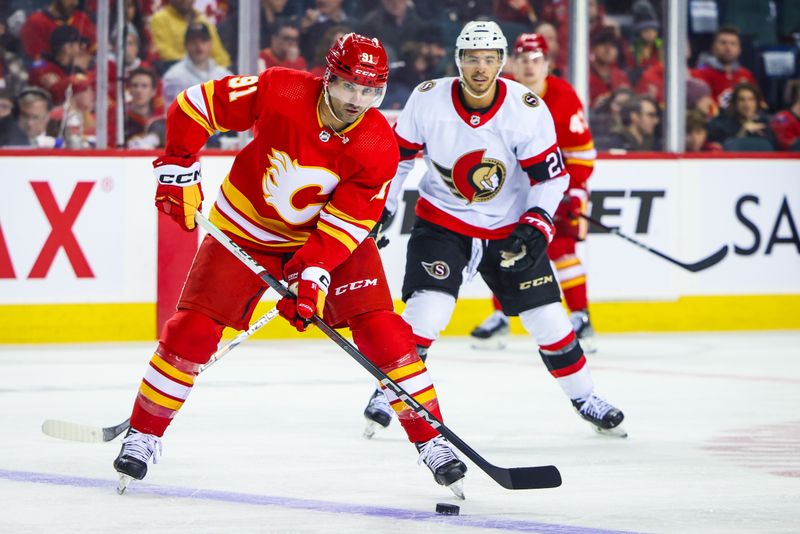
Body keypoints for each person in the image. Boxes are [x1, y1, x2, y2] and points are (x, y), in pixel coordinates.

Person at [112, 32, 467, 499]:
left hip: (329, 240)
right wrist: (178, 164)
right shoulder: (282, 89)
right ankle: (144, 434)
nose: (357, 101)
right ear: (327, 77)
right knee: (191, 331)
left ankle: (432, 441)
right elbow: (194, 105)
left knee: (384, 331)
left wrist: (313, 273)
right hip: (246, 227)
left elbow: (345, 225)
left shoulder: (377, 143)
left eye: (370, 91)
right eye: (347, 86)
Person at [361, 21, 626, 441]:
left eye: (489, 59)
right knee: (427, 311)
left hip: (509, 230)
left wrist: (538, 222)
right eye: (472, 59)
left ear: (502, 62)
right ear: (458, 61)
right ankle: (388, 392)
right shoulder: (427, 99)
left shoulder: (526, 108)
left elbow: (550, 178)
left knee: (550, 320)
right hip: (443, 223)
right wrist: (385, 205)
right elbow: (399, 160)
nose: (480, 68)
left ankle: (585, 396)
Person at [470, 33, 598, 352]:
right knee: (503, 247)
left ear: (548, 65)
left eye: (536, 59)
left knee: (563, 248)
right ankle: (501, 316)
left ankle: (581, 316)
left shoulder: (563, 97)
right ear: (512, 63)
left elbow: (582, 154)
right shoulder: (502, 93)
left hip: (556, 186)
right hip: (512, 188)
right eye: (522, 59)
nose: (528, 66)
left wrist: (574, 192)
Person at [149, 0, 231, 71]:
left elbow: (220, 56)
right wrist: (196, 64)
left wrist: (211, 68)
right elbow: (165, 53)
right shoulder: (160, 19)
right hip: (175, 69)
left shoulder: (203, 20)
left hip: (208, 72)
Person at [162, 23, 233, 103]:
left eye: (203, 41)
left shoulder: (224, 75)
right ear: (185, 44)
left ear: (210, 44)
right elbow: (171, 112)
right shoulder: (173, 77)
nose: (199, 46)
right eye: (193, 41)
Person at [693, 26, 758, 110]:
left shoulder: (746, 75)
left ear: (739, 49)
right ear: (713, 47)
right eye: (723, 43)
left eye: (733, 44)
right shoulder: (700, 74)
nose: (728, 48)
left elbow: (758, 103)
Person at [706, 82, 776, 151]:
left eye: (751, 99)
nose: (747, 105)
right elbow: (723, 150)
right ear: (734, 103)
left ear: (757, 103)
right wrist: (742, 132)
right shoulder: (721, 124)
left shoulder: (764, 123)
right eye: (742, 100)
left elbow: (774, 149)